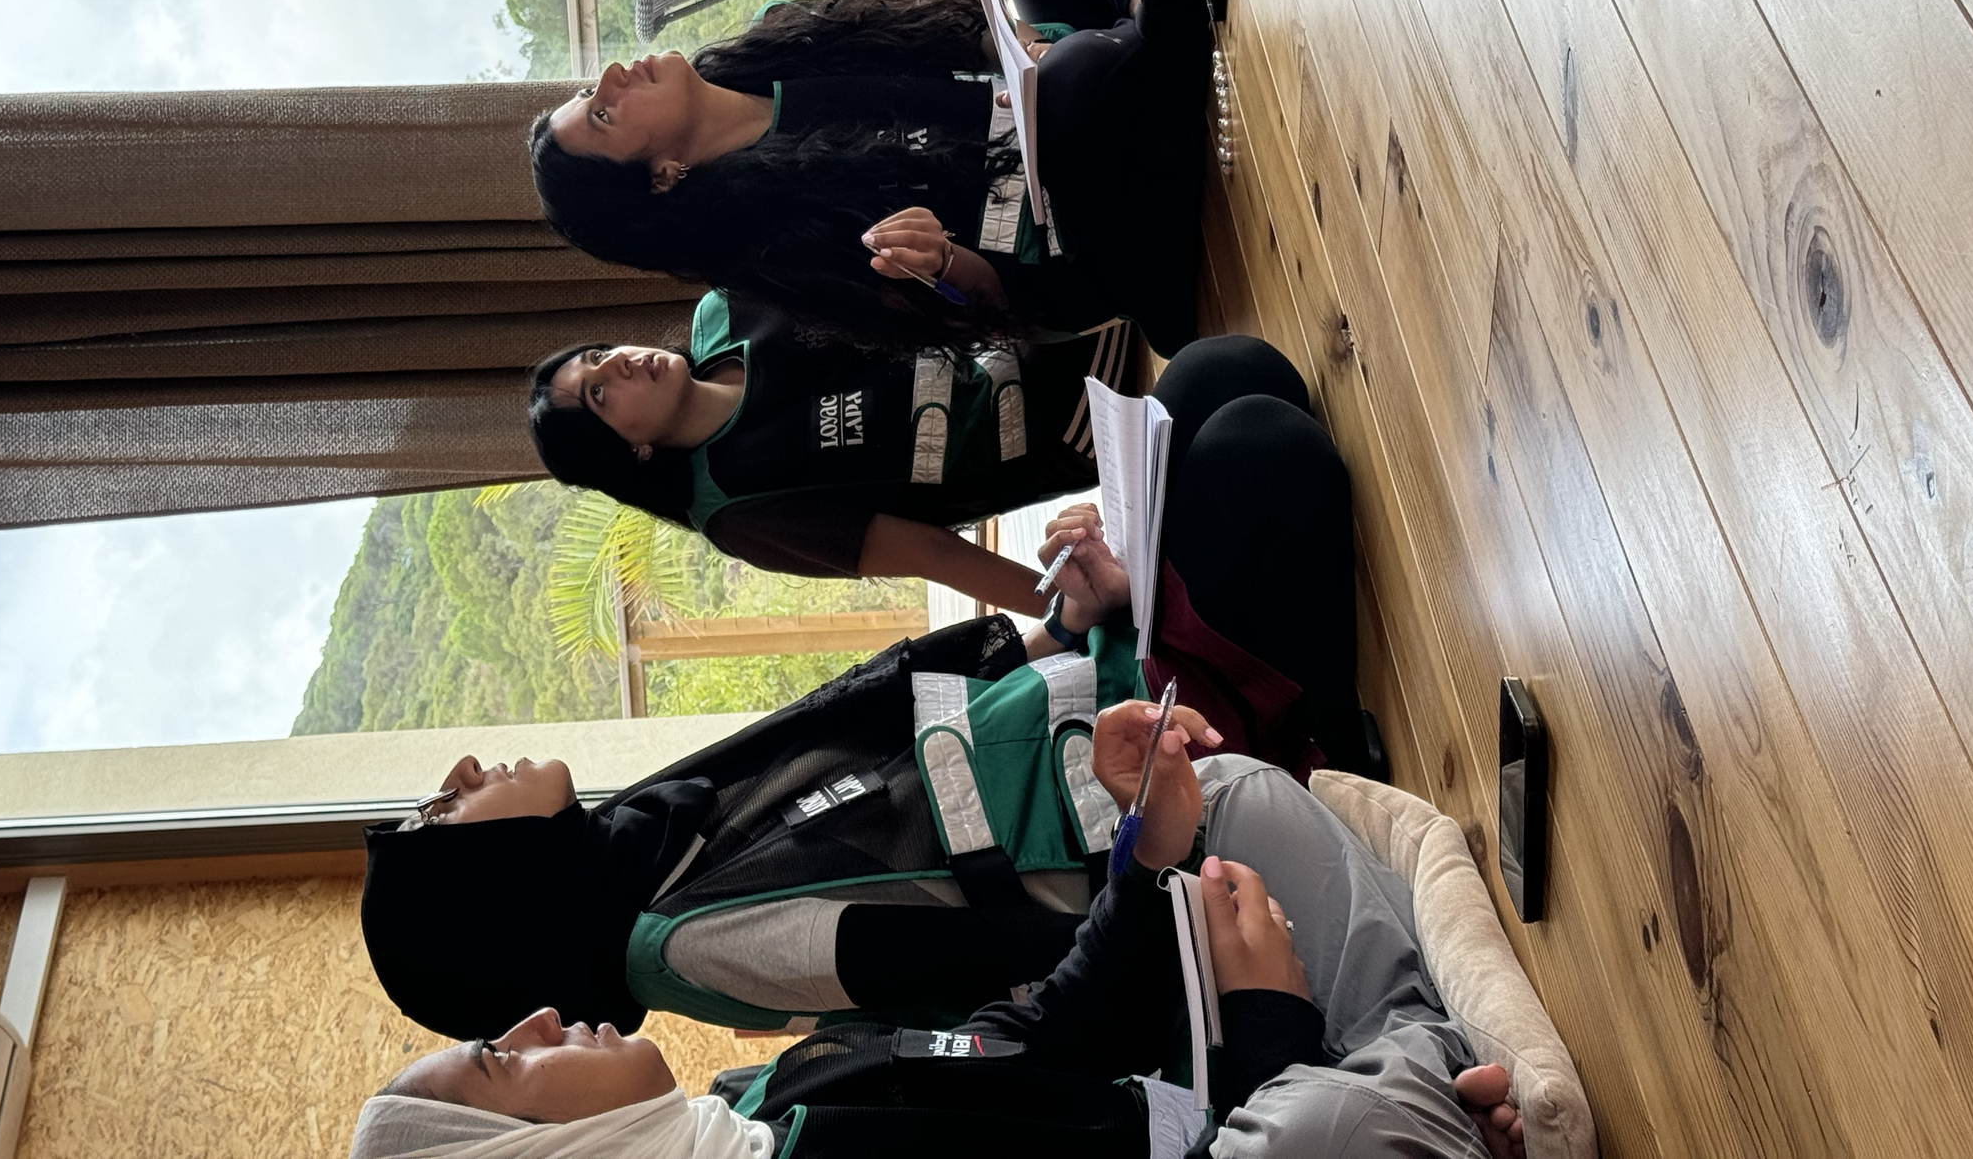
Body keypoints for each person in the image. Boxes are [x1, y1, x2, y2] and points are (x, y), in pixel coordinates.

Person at [363, 365, 1366, 1047]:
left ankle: (1259, 668)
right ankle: (1320, 745)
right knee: (1256, 444)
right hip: (1152, 782)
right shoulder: (694, 939)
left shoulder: (652, 833)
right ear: (486, 888)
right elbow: (1015, 955)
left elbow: (912, 722)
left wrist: (1070, 621)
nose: (457, 779)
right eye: (440, 814)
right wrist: (1169, 850)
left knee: (1210, 378)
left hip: (1101, 698)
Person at [350, 702, 1531, 1159]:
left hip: (1199, 1094)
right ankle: (1431, 1067)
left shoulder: (760, 1099)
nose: (544, 1020)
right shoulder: (700, 955)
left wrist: (1142, 863)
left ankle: (1424, 1064)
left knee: (1234, 802)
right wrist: (1270, 1030)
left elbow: (1027, 1031)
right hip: (1239, 1115)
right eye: (506, 1058)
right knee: (1326, 1130)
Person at [526, 311, 1355, 772]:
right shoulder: (739, 509)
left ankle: (1277, 552)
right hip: (1047, 468)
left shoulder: (724, 318)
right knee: (1257, 439)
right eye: (601, 393)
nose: (624, 365)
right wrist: (1074, 596)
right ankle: (1334, 724)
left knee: (1218, 369)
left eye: (601, 354)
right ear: (626, 452)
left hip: (1023, 346)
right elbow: (926, 551)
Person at [528, 0, 1216, 356]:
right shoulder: (772, 251)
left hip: (1045, 98)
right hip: (1073, 233)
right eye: (604, 115)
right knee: (1082, 79)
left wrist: (1024, 46)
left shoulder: (773, 38)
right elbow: (1001, 309)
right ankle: (1141, 35)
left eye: (592, 92)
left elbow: (953, 29)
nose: (613, 75)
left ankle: (1140, 3)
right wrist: (944, 263)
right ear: (661, 176)